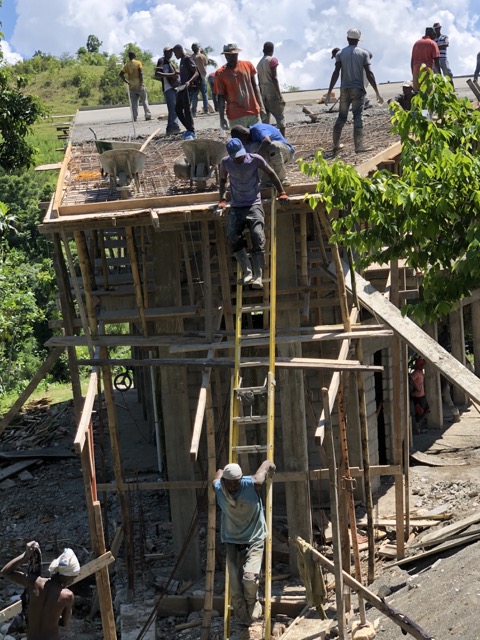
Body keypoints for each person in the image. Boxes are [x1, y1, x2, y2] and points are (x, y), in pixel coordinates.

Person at [213, 460, 276, 638]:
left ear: (242, 479)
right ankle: (242, 617)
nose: (233, 486)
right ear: (224, 481)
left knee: (249, 577)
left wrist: (268, 464)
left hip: (254, 538)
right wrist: (220, 472)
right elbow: (217, 475)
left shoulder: (252, 484)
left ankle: (253, 603)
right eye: (229, 482)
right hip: (232, 540)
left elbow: (263, 469)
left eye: (236, 482)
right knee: (234, 583)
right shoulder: (219, 487)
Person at [217, 138, 288, 289]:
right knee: (231, 235)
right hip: (237, 206)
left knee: (257, 235)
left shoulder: (255, 159)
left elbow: (271, 173)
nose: (239, 158)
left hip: (253, 204)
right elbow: (222, 181)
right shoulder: (225, 163)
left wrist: (282, 192)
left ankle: (258, 275)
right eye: (235, 157)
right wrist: (222, 200)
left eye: (240, 155)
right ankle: (247, 270)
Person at [1, 542, 80, 640]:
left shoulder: (34, 582)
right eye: (73, 577)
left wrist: (25, 555)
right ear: (67, 575)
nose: (72, 580)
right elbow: (64, 623)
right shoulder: (67, 595)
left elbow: (6, 572)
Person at [325, 28, 383, 154]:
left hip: (344, 90)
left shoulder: (340, 54)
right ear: (358, 40)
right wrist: (377, 92)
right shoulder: (363, 54)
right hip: (358, 89)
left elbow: (336, 73)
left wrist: (329, 92)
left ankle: (336, 145)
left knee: (341, 117)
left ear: (347, 39)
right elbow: (369, 73)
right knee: (358, 116)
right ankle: (359, 146)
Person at [214, 43, 263, 131]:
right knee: (240, 143)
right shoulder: (220, 73)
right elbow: (220, 97)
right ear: (225, 56)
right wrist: (221, 118)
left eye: (233, 55)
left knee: (258, 141)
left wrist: (261, 107)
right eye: (227, 55)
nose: (230, 57)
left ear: (237, 54)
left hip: (253, 113)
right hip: (235, 116)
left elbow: (255, 86)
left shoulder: (248, 65)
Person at [230, 122, 294, 185]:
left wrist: (256, 158)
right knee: (253, 149)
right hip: (271, 157)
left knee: (273, 146)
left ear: (245, 134)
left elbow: (267, 141)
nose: (243, 144)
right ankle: (266, 181)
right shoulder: (247, 141)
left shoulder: (257, 129)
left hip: (286, 153)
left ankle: (282, 179)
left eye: (242, 141)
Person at [256, 41, 286, 136]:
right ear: (272, 50)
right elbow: (274, 78)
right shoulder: (272, 60)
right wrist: (280, 95)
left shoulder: (259, 64)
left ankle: (267, 140)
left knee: (265, 120)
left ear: (263, 50)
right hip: (272, 92)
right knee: (280, 117)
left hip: (263, 94)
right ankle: (283, 139)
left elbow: (259, 82)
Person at [173, 44, 199, 140]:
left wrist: (189, 82)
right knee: (178, 109)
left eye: (175, 53)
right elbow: (185, 72)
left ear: (180, 51)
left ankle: (191, 131)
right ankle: (188, 128)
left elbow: (196, 72)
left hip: (188, 88)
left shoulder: (187, 59)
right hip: (182, 88)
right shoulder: (182, 61)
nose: (175, 55)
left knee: (187, 109)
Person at [154, 45, 181, 135]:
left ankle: (170, 128)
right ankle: (175, 126)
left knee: (173, 108)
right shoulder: (162, 61)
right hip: (168, 87)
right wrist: (172, 74)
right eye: (169, 52)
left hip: (172, 87)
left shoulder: (169, 62)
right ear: (165, 52)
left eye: (171, 52)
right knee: (174, 108)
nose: (171, 53)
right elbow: (157, 74)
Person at [119, 51, 152, 122]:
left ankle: (134, 117)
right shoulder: (138, 63)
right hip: (139, 84)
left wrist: (127, 82)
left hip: (132, 86)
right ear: (134, 56)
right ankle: (147, 115)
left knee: (134, 103)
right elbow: (140, 73)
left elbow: (121, 74)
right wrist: (141, 82)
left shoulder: (127, 65)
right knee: (144, 100)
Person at [411, 27, 440, 92]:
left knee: (417, 94)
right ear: (432, 34)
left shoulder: (416, 43)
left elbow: (412, 60)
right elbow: (436, 60)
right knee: (428, 94)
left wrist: (413, 73)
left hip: (416, 72)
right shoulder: (432, 43)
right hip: (427, 72)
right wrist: (439, 75)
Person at [410, 358, 429, 428]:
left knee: (425, 409)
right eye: (422, 365)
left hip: (421, 395)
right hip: (417, 396)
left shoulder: (420, 372)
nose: (423, 366)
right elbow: (410, 379)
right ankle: (417, 425)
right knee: (420, 411)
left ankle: (418, 424)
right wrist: (415, 387)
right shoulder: (416, 373)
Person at [191, 43, 209, 116]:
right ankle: (206, 110)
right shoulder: (202, 56)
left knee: (194, 94)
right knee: (204, 93)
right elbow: (206, 63)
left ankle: (194, 111)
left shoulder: (191, 57)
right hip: (202, 76)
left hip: (194, 77)